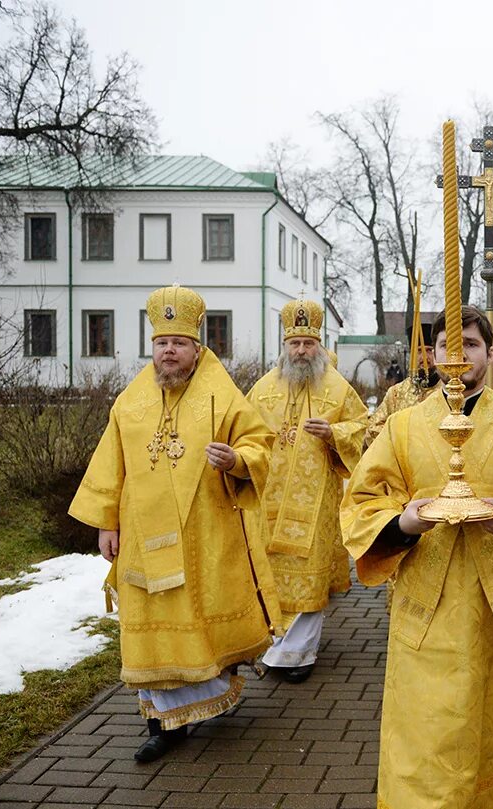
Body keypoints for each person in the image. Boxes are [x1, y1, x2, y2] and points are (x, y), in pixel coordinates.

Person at [342, 305, 493, 809]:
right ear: (431, 355)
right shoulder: (403, 425)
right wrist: (405, 522)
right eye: (447, 348)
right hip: (425, 607)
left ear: (492, 352)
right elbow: (363, 500)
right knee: (427, 732)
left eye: (471, 346)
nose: (459, 357)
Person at [69, 286, 276, 762]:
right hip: (142, 541)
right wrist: (105, 524)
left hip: (204, 537)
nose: (169, 351)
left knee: (197, 624)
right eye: (162, 343)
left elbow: (260, 444)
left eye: (179, 343)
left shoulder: (221, 395)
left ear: (196, 347)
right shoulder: (130, 400)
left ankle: (205, 694)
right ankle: (162, 723)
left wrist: (237, 459)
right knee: (152, 629)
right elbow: (110, 465)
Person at [247, 300, 368, 683]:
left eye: (308, 344)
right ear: (285, 345)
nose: (301, 351)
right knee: (270, 570)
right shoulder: (263, 388)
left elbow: (362, 428)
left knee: (307, 570)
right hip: (269, 495)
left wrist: (335, 434)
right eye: (295, 343)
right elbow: (244, 432)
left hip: (316, 495)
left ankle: (298, 654)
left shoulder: (337, 387)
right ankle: (275, 644)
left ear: (319, 344)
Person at [365, 323, 441, 448]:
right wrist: (399, 436)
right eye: (419, 351)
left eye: (429, 350)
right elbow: (373, 429)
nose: (424, 357)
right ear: (411, 355)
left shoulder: (450, 391)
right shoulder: (396, 393)